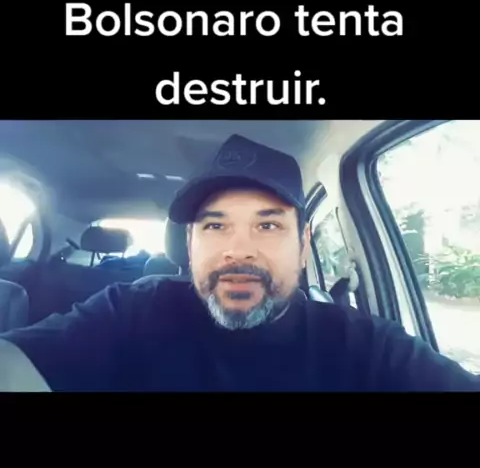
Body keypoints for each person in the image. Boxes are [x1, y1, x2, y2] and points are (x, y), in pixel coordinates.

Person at [0, 134, 478, 392]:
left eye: (267, 225)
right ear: (190, 244)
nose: (239, 249)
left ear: (303, 244)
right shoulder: (129, 312)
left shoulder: (364, 345)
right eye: (215, 226)